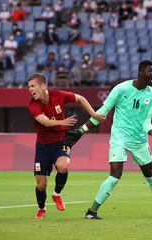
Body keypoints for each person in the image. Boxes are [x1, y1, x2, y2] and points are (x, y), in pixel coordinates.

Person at [64, 60, 152, 220]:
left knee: (150, 176)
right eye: (151, 71)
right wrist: (83, 129)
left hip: (139, 141)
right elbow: (103, 111)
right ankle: (92, 212)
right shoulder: (121, 89)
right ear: (141, 72)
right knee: (115, 174)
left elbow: (146, 122)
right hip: (119, 138)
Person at [27, 73, 105, 219]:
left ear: (43, 86)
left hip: (60, 141)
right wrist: (62, 123)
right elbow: (45, 122)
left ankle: (57, 194)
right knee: (41, 184)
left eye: (33, 86)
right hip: (42, 146)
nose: (30, 89)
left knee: (63, 166)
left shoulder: (59, 95)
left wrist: (93, 114)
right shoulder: (33, 104)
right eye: (28, 87)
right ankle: (42, 208)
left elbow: (80, 98)